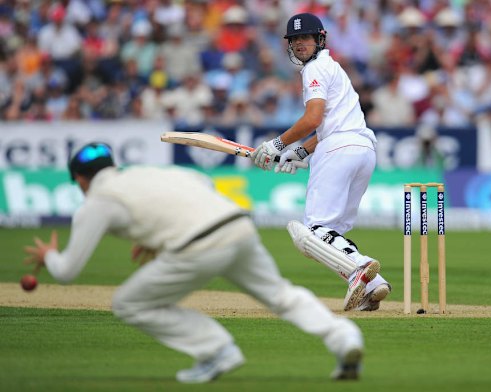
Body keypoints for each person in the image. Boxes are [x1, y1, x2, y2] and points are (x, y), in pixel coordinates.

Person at [23, 142, 365, 383]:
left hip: (197, 244)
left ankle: (216, 350)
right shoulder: (143, 173)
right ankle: (343, 338)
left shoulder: (97, 200)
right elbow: (201, 182)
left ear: (80, 180)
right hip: (237, 225)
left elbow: (67, 271)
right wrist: (154, 233)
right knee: (280, 295)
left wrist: (48, 256)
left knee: (128, 303)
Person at [250, 13, 391, 312]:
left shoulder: (314, 69)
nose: (300, 44)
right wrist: (301, 152)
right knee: (331, 231)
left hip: (339, 150)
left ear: (319, 39)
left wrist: (277, 144)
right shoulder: (332, 68)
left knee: (313, 232)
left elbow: (313, 118)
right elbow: (329, 124)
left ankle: (359, 269)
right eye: (295, 39)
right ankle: (374, 284)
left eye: (306, 38)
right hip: (362, 149)